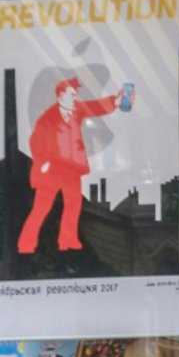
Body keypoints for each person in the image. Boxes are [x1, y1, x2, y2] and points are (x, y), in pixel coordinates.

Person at [20, 77, 132, 254]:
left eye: (75, 95)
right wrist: (42, 163)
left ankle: (68, 240)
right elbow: (35, 141)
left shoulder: (77, 110)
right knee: (42, 207)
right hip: (53, 169)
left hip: (71, 169)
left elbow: (95, 107)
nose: (75, 98)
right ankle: (26, 243)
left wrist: (116, 102)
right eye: (72, 95)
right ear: (60, 96)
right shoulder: (48, 117)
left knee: (73, 204)